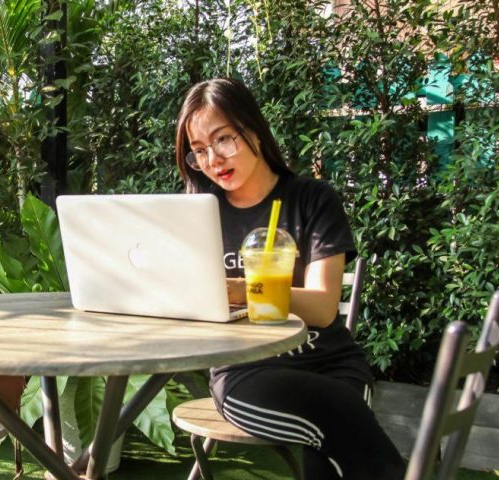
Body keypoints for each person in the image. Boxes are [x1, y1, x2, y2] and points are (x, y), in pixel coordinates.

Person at [174, 77, 405, 480]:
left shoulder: (313, 199)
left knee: (333, 428)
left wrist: (242, 290)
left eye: (223, 139)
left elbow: (321, 306)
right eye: (198, 151)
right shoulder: (199, 215)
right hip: (246, 370)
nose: (213, 160)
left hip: (331, 362)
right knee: (337, 414)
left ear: (254, 131)